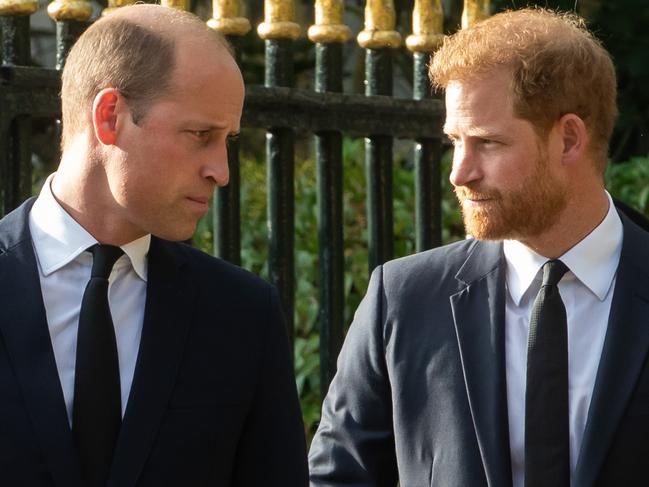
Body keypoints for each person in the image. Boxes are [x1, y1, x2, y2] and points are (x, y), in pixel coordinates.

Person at [309, 8, 649, 487]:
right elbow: (338, 477)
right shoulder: (404, 298)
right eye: (454, 141)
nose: (459, 173)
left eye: (487, 143)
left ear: (569, 139)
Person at [0, 5, 308, 486]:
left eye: (227, 139)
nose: (221, 172)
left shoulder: (243, 314)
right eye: (201, 135)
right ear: (110, 116)